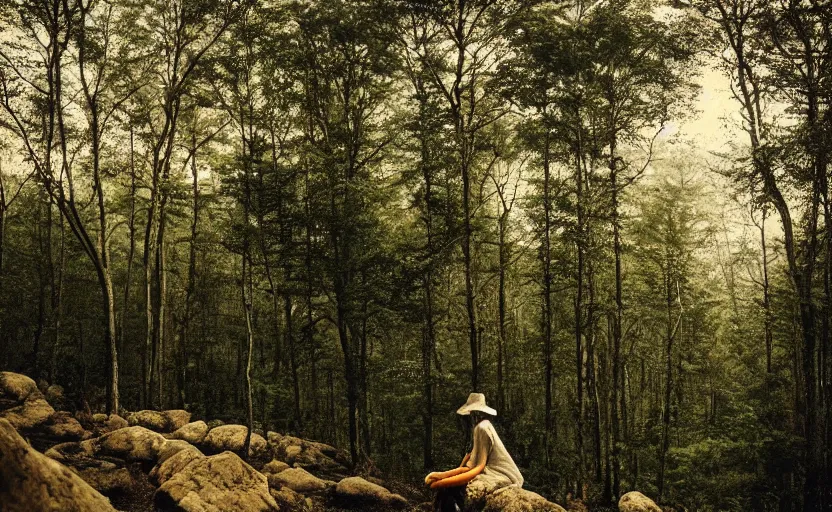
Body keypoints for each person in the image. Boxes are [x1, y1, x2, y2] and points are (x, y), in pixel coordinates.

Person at [425, 393, 523, 512]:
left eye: (473, 412)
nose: (471, 415)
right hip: (490, 471)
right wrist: (440, 476)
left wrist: (443, 482)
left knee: (449, 490)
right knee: (447, 490)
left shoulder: (482, 428)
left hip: (500, 474)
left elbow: (479, 467)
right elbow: (470, 464)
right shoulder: (482, 426)